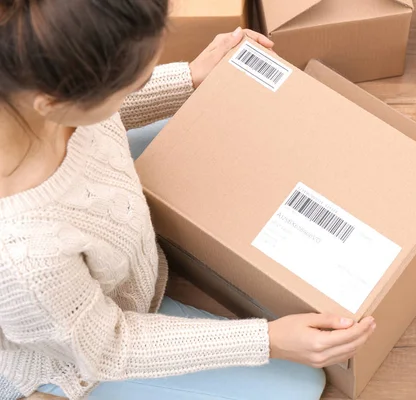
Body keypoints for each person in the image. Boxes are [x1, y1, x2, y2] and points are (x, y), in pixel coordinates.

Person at [0, 1, 377, 399]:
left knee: (225, 109)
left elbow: (106, 114)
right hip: (81, 352)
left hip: (100, 230)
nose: (147, 77)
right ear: (55, 102)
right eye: (134, 79)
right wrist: (268, 340)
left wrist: (190, 77)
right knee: (300, 385)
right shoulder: (27, 261)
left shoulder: (30, 82)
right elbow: (108, 347)